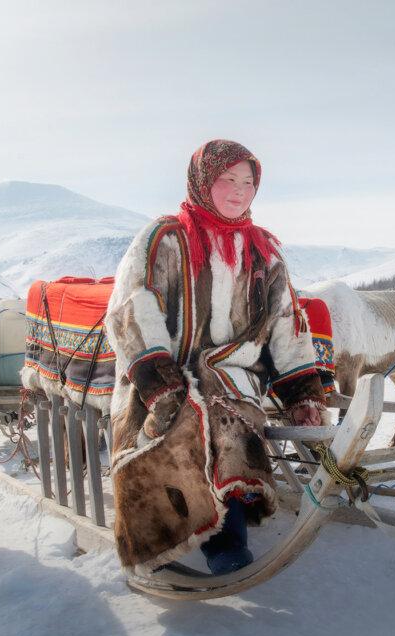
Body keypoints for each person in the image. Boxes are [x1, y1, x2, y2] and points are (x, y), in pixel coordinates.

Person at [106, 140, 325, 575]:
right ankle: (173, 534)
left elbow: (286, 322)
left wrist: (302, 391)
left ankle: (229, 535)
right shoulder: (164, 239)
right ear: (204, 182)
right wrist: (160, 378)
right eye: (228, 180)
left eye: (248, 182)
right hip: (165, 372)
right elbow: (132, 305)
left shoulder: (264, 252)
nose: (239, 191)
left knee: (232, 421)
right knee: (184, 422)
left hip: (235, 375)